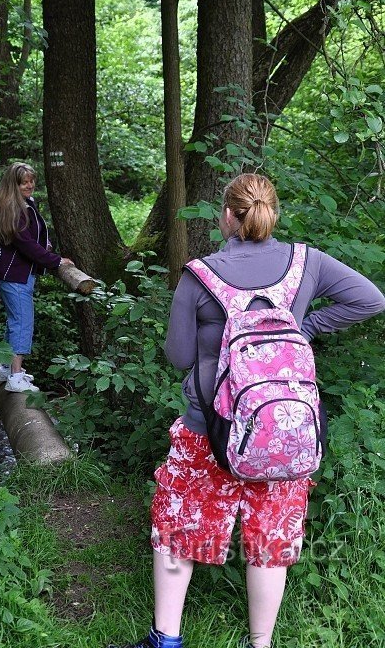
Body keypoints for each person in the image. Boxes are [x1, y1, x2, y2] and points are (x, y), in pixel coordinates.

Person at [110, 173, 385, 648]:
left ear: (225, 216)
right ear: (272, 213)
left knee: (180, 524)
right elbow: (371, 299)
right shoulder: (308, 262)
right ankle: (261, 644)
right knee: (271, 538)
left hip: (209, 430)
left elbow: (178, 356)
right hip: (283, 433)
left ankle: (166, 640)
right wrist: (303, 326)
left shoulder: (201, 274)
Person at [0, 162, 73, 393]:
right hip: (15, 274)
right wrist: (54, 260)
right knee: (22, 322)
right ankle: (15, 377)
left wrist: (46, 245)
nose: (30, 185)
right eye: (25, 182)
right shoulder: (14, 209)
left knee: (14, 319)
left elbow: (32, 237)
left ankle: (5, 367)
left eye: (32, 181)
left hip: (8, 272)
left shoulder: (15, 204)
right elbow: (25, 244)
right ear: (14, 185)